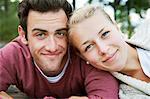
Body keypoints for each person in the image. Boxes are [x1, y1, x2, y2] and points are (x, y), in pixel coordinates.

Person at [0, 0, 119, 98]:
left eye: (60, 33)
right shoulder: (13, 55)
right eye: (40, 35)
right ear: (23, 35)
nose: (52, 47)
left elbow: (107, 95)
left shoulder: (85, 53)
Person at [68, 4, 150, 99]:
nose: (103, 49)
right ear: (83, 57)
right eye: (89, 47)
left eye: (105, 34)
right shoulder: (121, 94)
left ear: (116, 27)